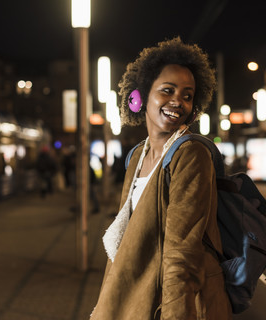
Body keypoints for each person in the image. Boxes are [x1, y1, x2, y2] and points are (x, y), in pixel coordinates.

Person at [91, 37, 232, 320]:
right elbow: (123, 242)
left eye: (188, 95)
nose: (178, 101)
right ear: (140, 96)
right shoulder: (136, 157)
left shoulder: (190, 154)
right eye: (167, 90)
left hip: (173, 304)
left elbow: (182, 254)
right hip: (138, 296)